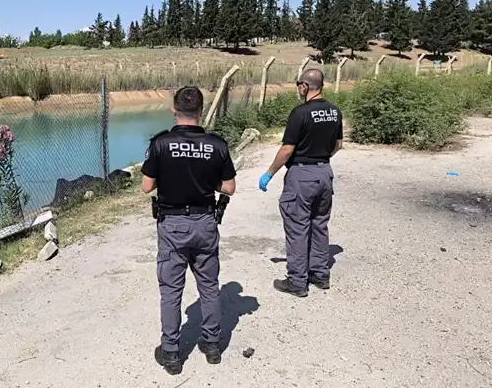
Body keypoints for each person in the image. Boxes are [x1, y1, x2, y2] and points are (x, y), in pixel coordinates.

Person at [141, 86, 237, 375]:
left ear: (174, 110)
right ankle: (212, 346)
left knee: (171, 290)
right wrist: (209, 182)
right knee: (208, 286)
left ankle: (171, 353)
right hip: (205, 222)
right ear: (200, 111)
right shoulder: (216, 145)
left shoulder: (160, 143)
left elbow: (147, 186)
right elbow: (229, 187)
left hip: (172, 225)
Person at [258, 68, 343, 298]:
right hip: (325, 173)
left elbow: (287, 149)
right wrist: (321, 158)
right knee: (319, 224)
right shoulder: (335, 111)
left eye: (299, 85)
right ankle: (320, 274)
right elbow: (338, 145)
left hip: (301, 175)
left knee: (297, 228)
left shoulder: (300, 113)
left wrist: (269, 173)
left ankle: (297, 281)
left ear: (304, 86)